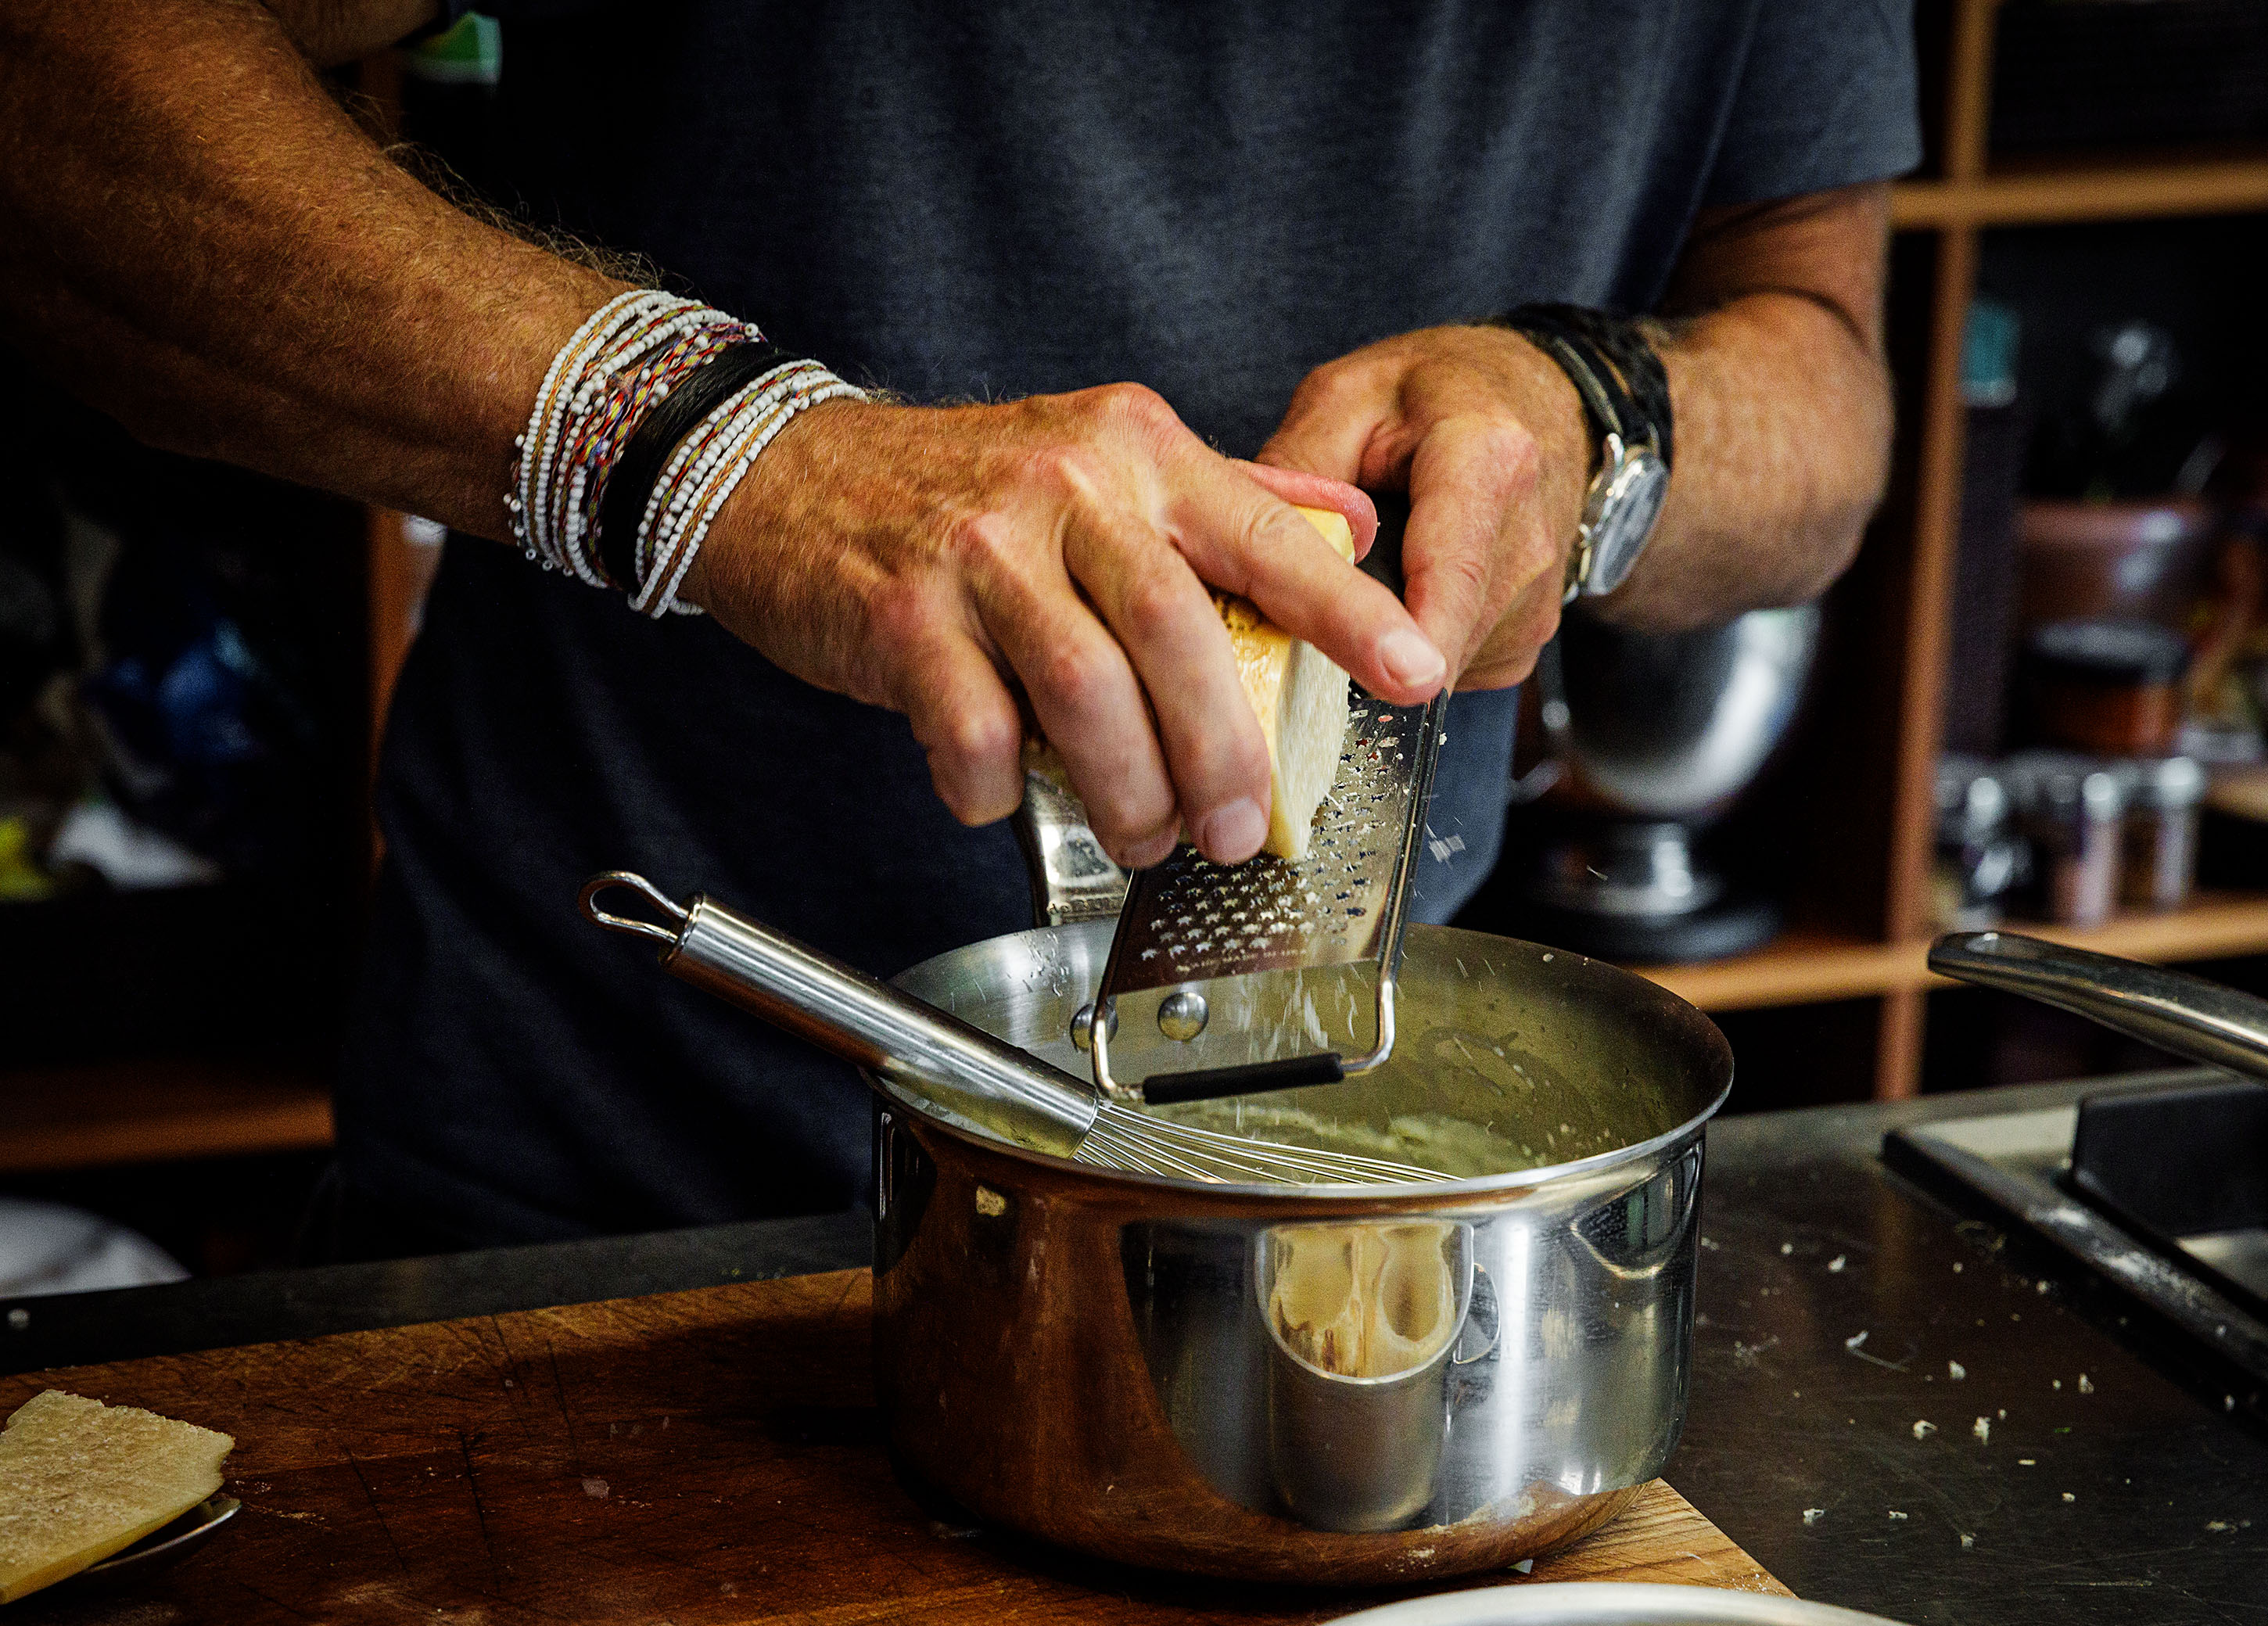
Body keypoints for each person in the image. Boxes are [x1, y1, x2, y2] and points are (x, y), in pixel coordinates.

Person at [0, 2, 1916, 1254]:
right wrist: (737, 465)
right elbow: (56, 95)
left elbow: (1822, 386)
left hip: (1309, 1175)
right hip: (601, 1190)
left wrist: (1597, 417)